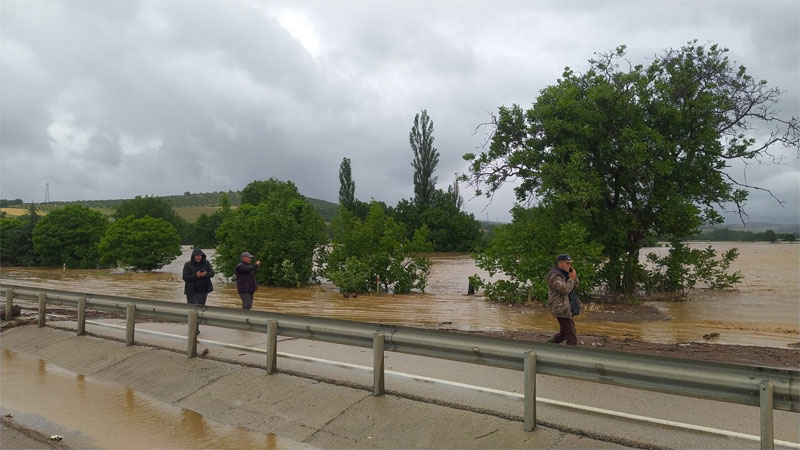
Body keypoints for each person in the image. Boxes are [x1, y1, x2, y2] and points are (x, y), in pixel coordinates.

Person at [546, 253, 581, 345]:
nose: (569, 265)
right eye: (567, 263)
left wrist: (573, 276)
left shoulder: (566, 274)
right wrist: (571, 280)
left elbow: (575, 286)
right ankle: (571, 356)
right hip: (561, 308)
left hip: (568, 307)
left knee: (564, 334)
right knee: (571, 337)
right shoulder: (554, 276)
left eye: (570, 263)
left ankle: (543, 347)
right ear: (560, 263)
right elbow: (565, 290)